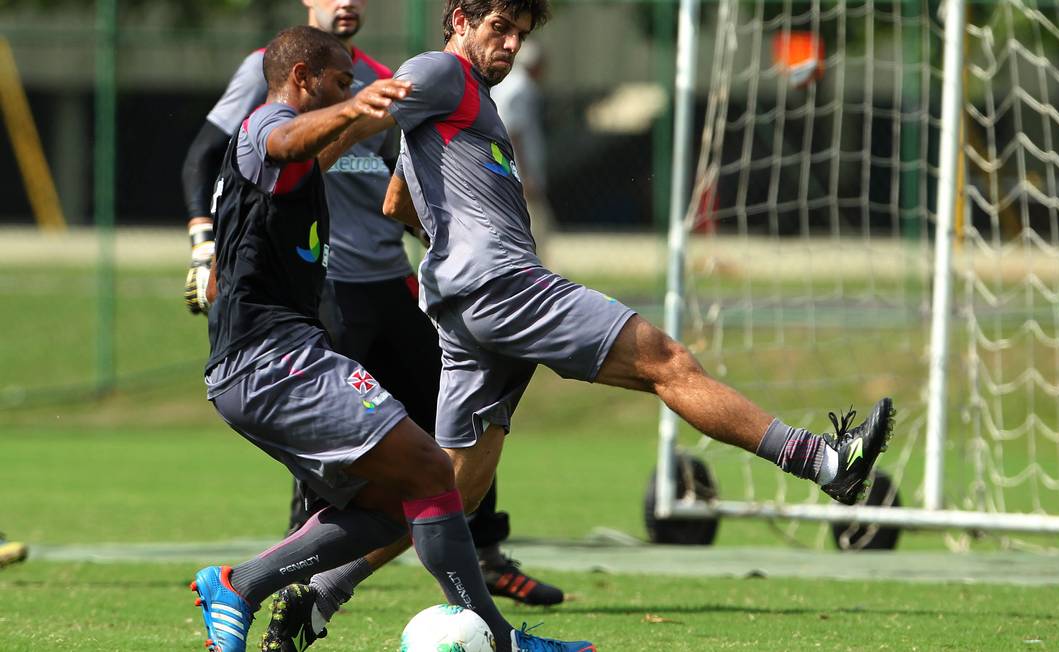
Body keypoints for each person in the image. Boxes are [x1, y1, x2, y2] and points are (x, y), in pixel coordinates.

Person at [267, 0, 896, 648]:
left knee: (450, 487)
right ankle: (824, 462)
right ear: (459, 19)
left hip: (466, 304)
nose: (510, 44)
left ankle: (317, 595)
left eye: (519, 34)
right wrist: (291, 165)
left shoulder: (463, 100)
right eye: (497, 28)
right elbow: (366, 114)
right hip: (502, 286)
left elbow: (398, 200)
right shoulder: (441, 74)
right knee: (664, 359)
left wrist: (452, 245)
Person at [187, 25, 590, 652]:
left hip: (276, 358)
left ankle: (241, 584)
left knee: (402, 497)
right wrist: (355, 107)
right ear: (302, 79)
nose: (353, 91)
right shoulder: (265, 126)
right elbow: (285, 138)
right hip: (269, 360)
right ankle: (504, 643)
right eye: (342, 81)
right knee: (432, 466)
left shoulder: (293, 165)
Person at [489, 39, 554, 259]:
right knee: (534, 232)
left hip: (507, 171)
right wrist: (524, 176)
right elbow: (513, 132)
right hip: (519, 174)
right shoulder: (521, 89)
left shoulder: (507, 85)